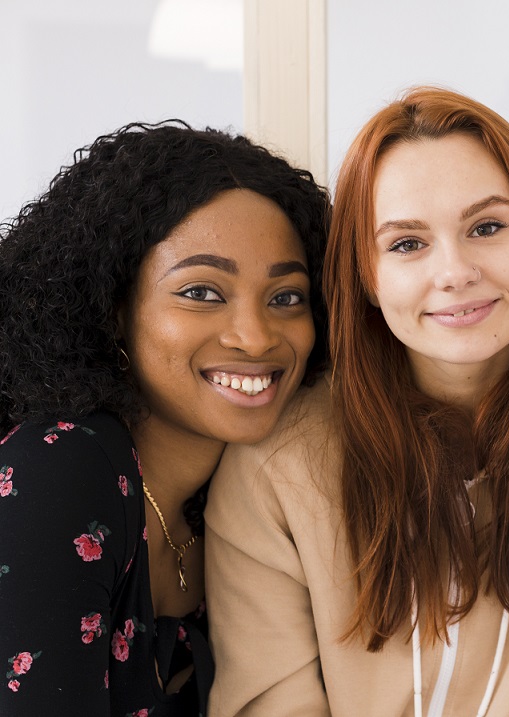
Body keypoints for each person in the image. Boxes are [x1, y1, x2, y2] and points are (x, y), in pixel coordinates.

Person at [204, 87, 509, 717]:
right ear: (366, 278)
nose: (454, 271)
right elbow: (269, 704)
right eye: (407, 244)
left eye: (486, 227)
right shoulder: (275, 465)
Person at [0, 121, 330, 716]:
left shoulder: (240, 491)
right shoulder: (64, 467)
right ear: (112, 306)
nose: (255, 338)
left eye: (286, 297)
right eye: (202, 292)